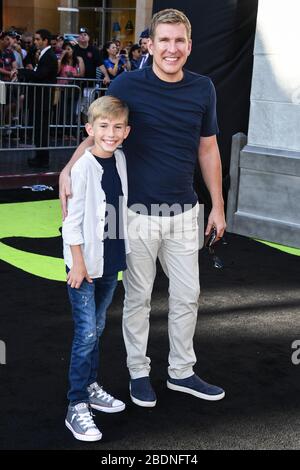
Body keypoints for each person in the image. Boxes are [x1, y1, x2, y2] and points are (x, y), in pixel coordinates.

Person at [60, 9, 226, 408]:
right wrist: (68, 167)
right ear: (149, 45)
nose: (172, 49)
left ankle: (181, 372)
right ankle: (138, 371)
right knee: (137, 299)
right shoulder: (127, 84)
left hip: (185, 212)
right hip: (132, 214)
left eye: (179, 41)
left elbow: (209, 148)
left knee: (188, 296)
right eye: (163, 41)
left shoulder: (203, 88)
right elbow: (103, 129)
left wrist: (218, 206)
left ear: (189, 45)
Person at [62, 95, 131, 441]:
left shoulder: (120, 159)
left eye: (118, 127)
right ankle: (76, 405)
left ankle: (89, 386)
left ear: (126, 131)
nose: (111, 133)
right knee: (86, 332)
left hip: (111, 261)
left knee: (99, 326)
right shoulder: (82, 167)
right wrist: (76, 262)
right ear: (90, 130)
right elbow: (71, 222)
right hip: (85, 265)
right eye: (103, 126)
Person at [19, 29, 58, 168]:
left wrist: (21, 72)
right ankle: (39, 157)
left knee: (41, 130)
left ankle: (42, 159)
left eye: (37, 39)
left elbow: (40, 75)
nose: (35, 42)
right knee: (39, 130)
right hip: (39, 99)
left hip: (43, 99)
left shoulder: (49, 56)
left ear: (45, 40)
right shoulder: (43, 54)